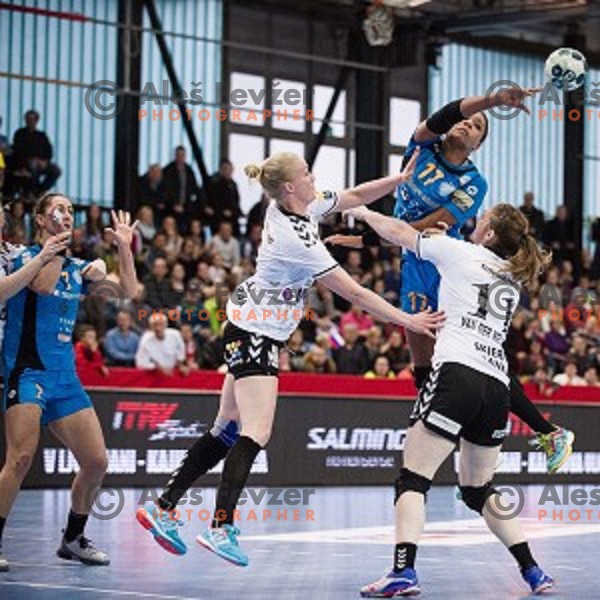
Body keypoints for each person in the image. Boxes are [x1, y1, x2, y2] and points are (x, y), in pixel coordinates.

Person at [136, 150, 445, 566]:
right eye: (306, 172)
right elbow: (354, 293)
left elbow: (353, 196)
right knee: (255, 431)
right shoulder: (295, 239)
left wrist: (398, 179)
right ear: (289, 186)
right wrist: (407, 319)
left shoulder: (300, 204)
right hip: (257, 333)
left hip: (248, 324)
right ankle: (220, 526)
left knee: (225, 430)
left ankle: (163, 508)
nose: (312, 175)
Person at [326, 87, 573, 474]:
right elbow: (443, 116)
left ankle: (545, 431)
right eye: (465, 118)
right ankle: (445, 441)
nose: (466, 124)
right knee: (420, 359)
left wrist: (367, 233)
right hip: (411, 260)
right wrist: (491, 102)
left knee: (474, 355)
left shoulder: (474, 184)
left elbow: (425, 230)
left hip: (446, 261)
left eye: (476, 126)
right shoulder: (421, 147)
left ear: (477, 144)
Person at [351, 203, 555, 596]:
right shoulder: (512, 281)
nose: (475, 224)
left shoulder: (459, 251)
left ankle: (403, 572)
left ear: (491, 233)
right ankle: (532, 570)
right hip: (496, 386)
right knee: (479, 489)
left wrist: (360, 211)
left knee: (412, 477)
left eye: (482, 221)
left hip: (457, 374)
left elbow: (397, 232)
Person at [0, 194, 138, 571]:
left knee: (96, 462)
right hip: (27, 370)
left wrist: (124, 249)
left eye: (70, 211)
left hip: (65, 379)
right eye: (57, 211)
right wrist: (58, 250)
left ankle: (73, 539)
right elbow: (43, 286)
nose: (66, 216)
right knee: (20, 458)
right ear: (40, 220)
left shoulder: (78, 268)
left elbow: (128, 293)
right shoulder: (24, 258)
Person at [12, 109, 61, 196]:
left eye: (32, 119)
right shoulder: (20, 134)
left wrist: (45, 161)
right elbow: (18, 150)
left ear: (36, 121)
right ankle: (32, 192)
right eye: (28, 119)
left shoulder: (41, 135)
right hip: (25, 162)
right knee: (33, 165)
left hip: (41, 162)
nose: (30, 121)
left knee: (56, 170)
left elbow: (49, 150)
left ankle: (40, 190)